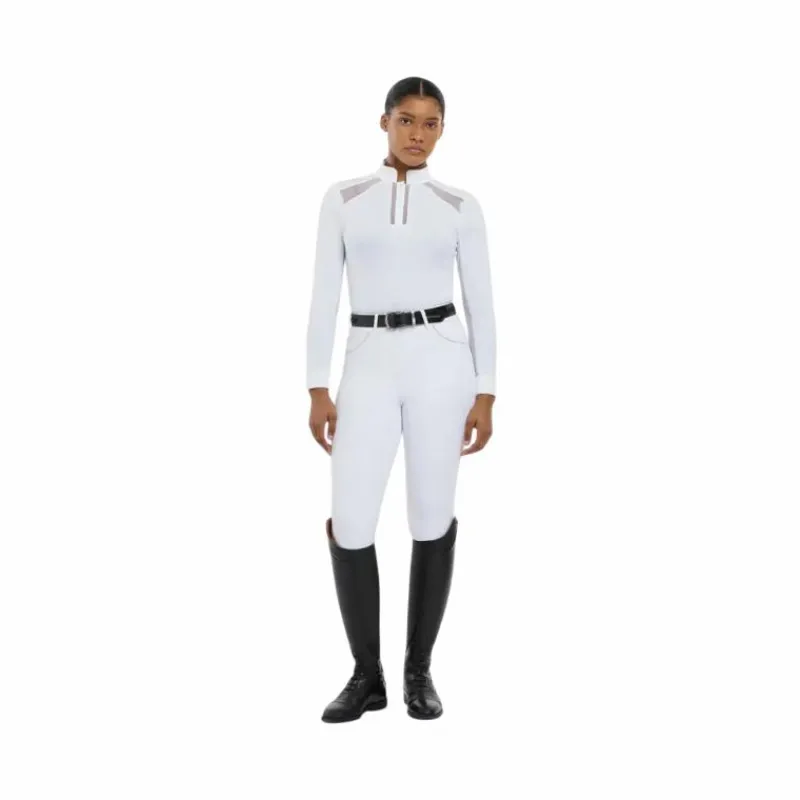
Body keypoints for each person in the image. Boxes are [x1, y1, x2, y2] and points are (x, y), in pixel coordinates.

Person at [306, 76, 497, 722]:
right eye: (407, 120)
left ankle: (419, 671)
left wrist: (486, 391)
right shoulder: (344, 199)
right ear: (384, 121)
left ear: (442, 130)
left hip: (441, 363)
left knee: (430, 515)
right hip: (367, 363)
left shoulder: (459, 205)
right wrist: (316, 385)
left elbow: (481, 302)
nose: (418, 134)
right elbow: (323, 294)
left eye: (431, 123)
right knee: (351, 519)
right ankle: (368, 675)